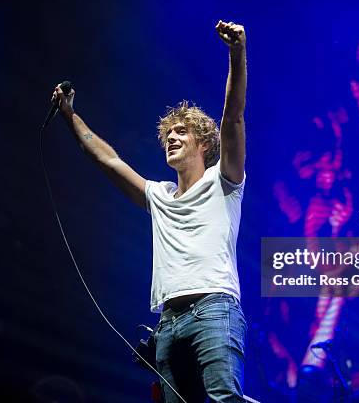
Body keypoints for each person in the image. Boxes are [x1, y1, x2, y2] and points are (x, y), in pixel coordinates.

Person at [52, 20, 248, 402]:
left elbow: (234, 117)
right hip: (169, 322)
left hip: (214, 308)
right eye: (167, 135)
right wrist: (68, 114)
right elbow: (109, 160)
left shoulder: (223, 180)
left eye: (181, 133)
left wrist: (236, 53)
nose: (171, 138)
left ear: (203, 143)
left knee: (225, 398)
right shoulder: (158, 194)